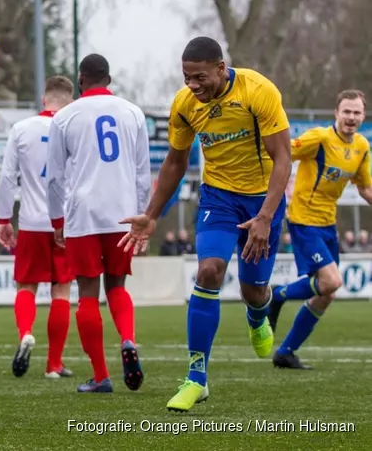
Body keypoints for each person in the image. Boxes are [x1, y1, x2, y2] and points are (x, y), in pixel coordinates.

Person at [119, 36, 292, 412]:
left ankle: (258, 313)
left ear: (220, 67)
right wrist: (151, 215)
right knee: (209, 271)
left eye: (199, 78)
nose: (193, 86)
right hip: (219, 197)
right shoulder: (184, 105)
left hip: (264, 199)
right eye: (186, 78)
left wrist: (264, 216)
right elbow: (175, 163)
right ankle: (197, 378)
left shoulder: (258, 91)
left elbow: (283, 158)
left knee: (253, 291)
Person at [46, 54, 151, 393]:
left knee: (87, 294)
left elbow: (55, 179)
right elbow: (142, 174)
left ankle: (102, 376)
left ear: (81, 78)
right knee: (117, 286)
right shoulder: (133, 112)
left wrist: (57, 220)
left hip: (83, 215)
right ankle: (129, 340)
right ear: (109, 78)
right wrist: (143, 217)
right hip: (122, 213)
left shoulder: (65, 117)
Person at [268, 89, 372, 369]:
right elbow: (282, 153)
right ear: (336, 114)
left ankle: (286, 352)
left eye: (356, 112)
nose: (351, 117)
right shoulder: (319, 138)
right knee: (332, 282)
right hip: (303, 219)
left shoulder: (361, 146)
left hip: (328, 223)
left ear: (363, 116)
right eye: (346, 111)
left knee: (327, 294)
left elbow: (364, 188)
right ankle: (277, 295)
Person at [0, 75, 75, 379]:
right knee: (62, 291)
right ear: (71, 102)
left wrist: (4, 219)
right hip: (67, 224)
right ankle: (54, 364)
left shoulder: (21, 128)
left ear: (44, 99)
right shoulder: (74, 128)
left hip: (30, 221)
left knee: (26, 286)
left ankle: (26, 333)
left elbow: (6, 179)